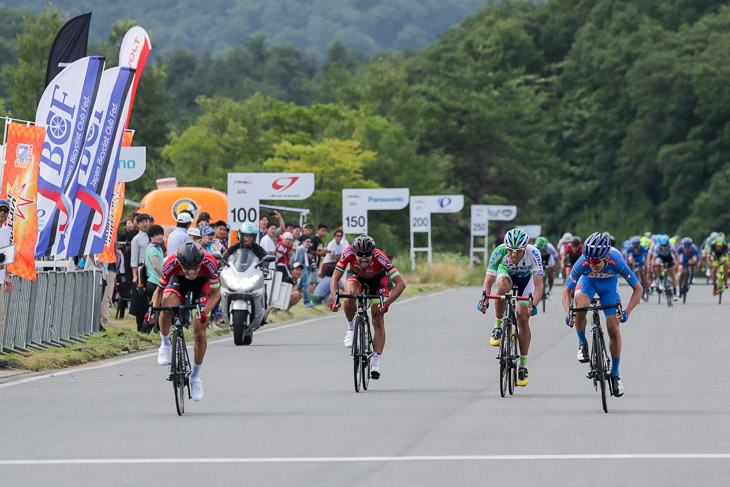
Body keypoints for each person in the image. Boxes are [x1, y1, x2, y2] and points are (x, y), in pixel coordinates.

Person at [563, 232, 642, 397]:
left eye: (596, 262)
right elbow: (566, 290)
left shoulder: (617, 260)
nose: (592, 264)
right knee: (581, 307)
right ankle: (582, 343)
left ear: (606, 257)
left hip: (609, 286)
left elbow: (638, 289)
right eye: (589, 261)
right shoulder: (583, 262)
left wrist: (627, 311)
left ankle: (615, 374)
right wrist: (568, 313)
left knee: (613, 329)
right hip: (588, 283)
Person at [150, 242, 220, 402]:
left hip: (202, 286)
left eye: (194, 268)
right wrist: (154, 311)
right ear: (180, 263)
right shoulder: (171, 263)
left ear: (200, 263)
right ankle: (165, 343)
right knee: (167, 304)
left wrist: (204, 312)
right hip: (178, 283)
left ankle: (196, 376)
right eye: (186, 267)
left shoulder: (210, 262)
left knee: (200, 333)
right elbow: (159, 291)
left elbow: (216, 294)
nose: (190, 272)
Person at [330, 234, 406, 380]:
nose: (364, 260)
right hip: (356, 277)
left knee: (377, 315)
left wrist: (387, 303)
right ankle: (351, 328)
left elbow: (401, 284)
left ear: (373, 253)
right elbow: (335, 277)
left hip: (377, 281)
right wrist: (335, 299)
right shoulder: (348, 252)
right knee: (350, 294)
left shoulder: (380, 256)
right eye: (360, 257)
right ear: (354, 253)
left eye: (367, 257)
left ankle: (376, 363)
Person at [479, 228, 543, 387]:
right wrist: (484, 298)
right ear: (506, 247)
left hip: (526, 281)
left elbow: (539, 285)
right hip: (506, 273)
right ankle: (498, 326)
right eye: (510, 250)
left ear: (525, 248)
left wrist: (533, 304)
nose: (513, 254)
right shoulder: (499, 251)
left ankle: (523, 365)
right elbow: (488, 280)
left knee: (522, 318)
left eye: (518, 251)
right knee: (502, 288)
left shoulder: (533, 253)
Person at [0, 199, 14, 368]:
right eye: (0, 209)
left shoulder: (6, 231)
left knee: (0, 318)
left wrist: (7, 276)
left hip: (0, 277)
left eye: (5, 210)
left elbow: (6, 256)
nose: (2, 212)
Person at [648, 234, 678, 298]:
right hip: (660, 257)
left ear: (668, 243)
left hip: (669, 257)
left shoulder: (671, 246)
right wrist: (653, 266)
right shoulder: (657, 247)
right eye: (662, 245)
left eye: (665, 245)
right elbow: (653, 258)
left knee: (672, 272)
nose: (664, 247)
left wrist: (676, 265)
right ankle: (660, 277)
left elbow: (676, 257)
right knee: (657, 263)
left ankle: (675, 292)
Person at [130, 213, 151, 286]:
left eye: (146, 221)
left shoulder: (152, 236)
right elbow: (134, 259)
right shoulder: (136, 239)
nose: (145, 224)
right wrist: (135, 276)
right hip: (142, 269)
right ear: (138, 225)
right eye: (142, 222)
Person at [294, 236, 313, 306]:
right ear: (303, 242)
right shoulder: (300, 249)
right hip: (301, 267)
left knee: (304, 285)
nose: (308, 243)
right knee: (303, 285)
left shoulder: (305, 250)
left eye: (310, 242)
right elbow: (297, 260)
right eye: (307, 241)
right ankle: (306, 301)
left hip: (306, 267)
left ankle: (303, 300)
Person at [309, 224, 328, 288]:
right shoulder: (313, 239)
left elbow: (320, 252)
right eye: (322, 230)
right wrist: (320, 253)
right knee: (312, 282)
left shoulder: (321, 241)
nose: (324, 232)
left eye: (325, 231)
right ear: (318, 230)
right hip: (312, 263)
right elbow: (310, 251)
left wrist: (324, 252)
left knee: (315, 281)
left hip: (317, 263)